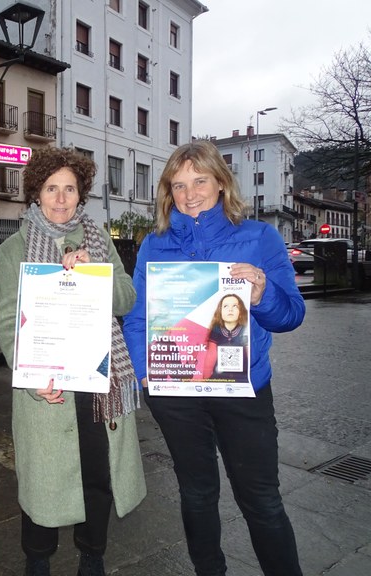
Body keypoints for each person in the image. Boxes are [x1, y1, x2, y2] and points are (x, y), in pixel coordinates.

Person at [122, 140, 305, 576]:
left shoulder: (260, 237)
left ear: (221, 183)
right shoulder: (154, 244)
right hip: (176, 394)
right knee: (197, 494)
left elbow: (292, 315)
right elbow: (136, 317)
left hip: (245, 389)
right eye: (178, 185)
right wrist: (146, 375)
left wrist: (262, 295)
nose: (189, 194)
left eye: (200, 181)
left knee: (260, 499)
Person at [0, 147, 146, 576]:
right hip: (45, 385)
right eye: (51, 188)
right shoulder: (14, 248)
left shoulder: (99, 241)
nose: (61, 199)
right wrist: (29, 374)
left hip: (99, 382)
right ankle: (37, 558)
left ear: (81, 195)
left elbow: (127, 298)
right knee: (41, 479)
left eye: (70, 189)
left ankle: (91, 554)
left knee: (97, 475)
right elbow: (7, 319)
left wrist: (94, 271)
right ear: (36, 194)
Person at [201, 293, 249, 382]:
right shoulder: (216, 329)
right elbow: (211, 353)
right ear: (220, 311)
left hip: (242, 375)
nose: (230, 309)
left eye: (235, 306)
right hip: (219, 375)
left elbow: (248, 351)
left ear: (241, 311)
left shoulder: (245, 329)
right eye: (226, 306)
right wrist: (206, 376)